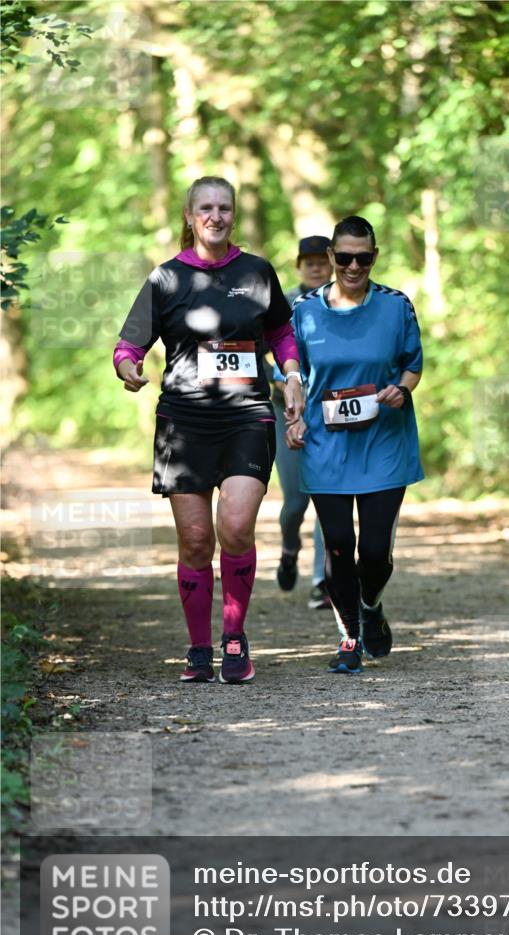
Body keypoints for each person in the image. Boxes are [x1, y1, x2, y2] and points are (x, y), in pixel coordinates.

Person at [113, 176, 303, 683]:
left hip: (247, 416)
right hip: (185, 423)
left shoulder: (257, 272)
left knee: (236, 528)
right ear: (190, 215)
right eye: (206, 208)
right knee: (196, 541)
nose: (215, 216)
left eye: (224, 208)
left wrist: (293, 372)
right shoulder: (167, 279)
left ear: (233, 215)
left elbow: (281, 330)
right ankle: (199, 647)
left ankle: (235, 638)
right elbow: (129, 343)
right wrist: (127, 365)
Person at [287, 215, 423, 673]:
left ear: (374, 257)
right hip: (326, 445)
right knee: (339, 544)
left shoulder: (396, 304)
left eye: (362, 258)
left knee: (375, 551)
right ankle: (349, 637)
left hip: (385, 440)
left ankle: (370, 603)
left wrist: (402, 390)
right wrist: (294, 415)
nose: (352, 266)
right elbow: (294, 374)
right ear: (330, 257)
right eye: (343, 257)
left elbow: (413, 364)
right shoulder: (303, 311)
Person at [273, 235, 333, 609]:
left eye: (321, 260)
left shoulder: (341, 303)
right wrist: (281, 380)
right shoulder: (282, 303)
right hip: (287, 412)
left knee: (329, 500)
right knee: (296, 502)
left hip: (330, 414)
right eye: (307, 261)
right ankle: (289, 548)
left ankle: (322, 580)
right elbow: (262, 351)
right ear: (299, 265)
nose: (315, 267)